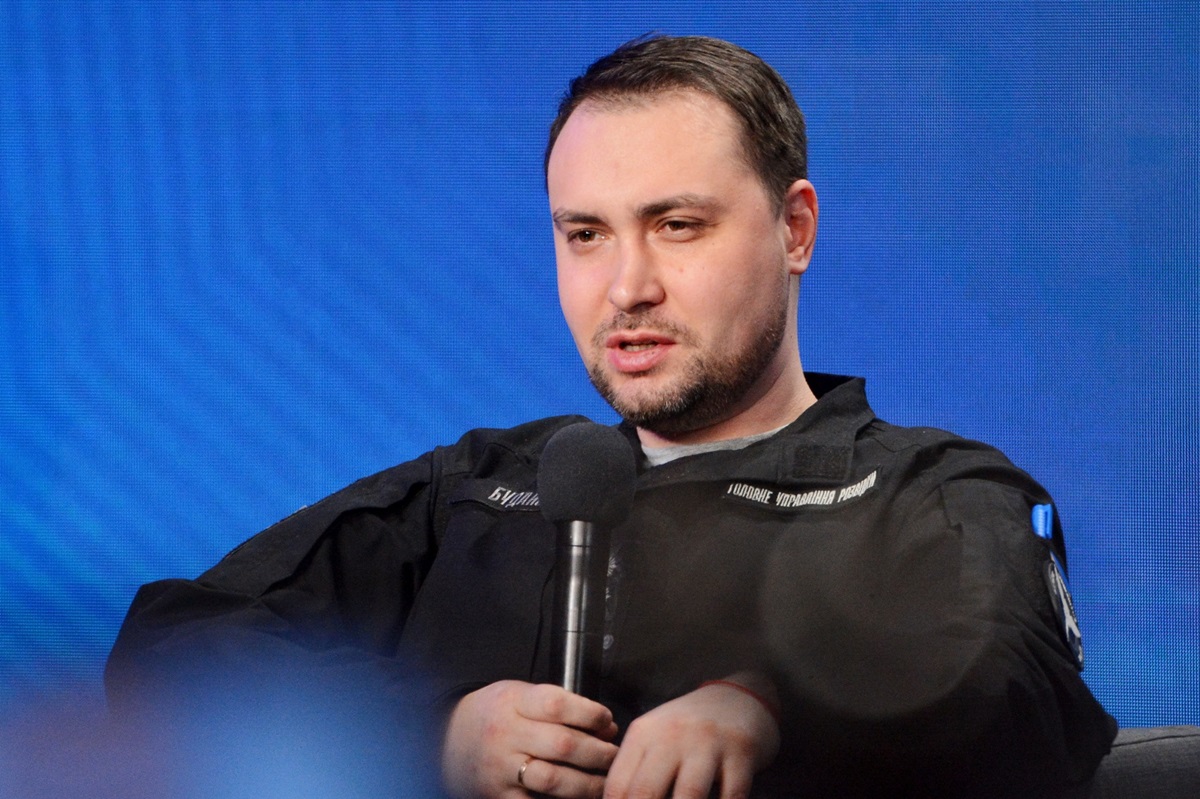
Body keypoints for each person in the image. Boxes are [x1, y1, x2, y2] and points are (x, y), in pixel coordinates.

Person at [107, 35, 1117, 798]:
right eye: (585, 234)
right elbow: (170, 645)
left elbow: (1020, 690)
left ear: (795, 229)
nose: (627, 286)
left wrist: (772, 707)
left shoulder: (935, 494)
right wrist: (433, 730)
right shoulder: (473, 491)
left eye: (677, 225)